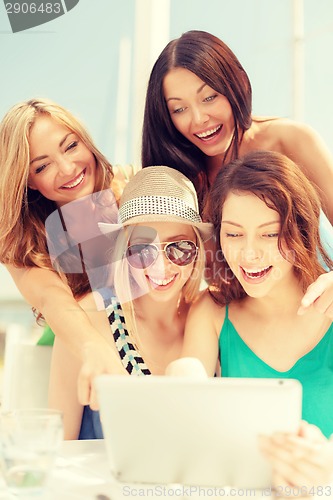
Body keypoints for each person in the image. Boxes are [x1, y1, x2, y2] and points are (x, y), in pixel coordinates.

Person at [167, 150, 333, 489]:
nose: (249, 253)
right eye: (233, 233)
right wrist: (181, 376)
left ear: (301, 230)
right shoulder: (212, 310)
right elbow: (188, 403)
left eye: (270, 234)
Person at [141, 29, 333, 316]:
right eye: (179, 109)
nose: (198, 119)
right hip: (250, 329)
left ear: (238, 83)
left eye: (209, 97)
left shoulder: (290, 140)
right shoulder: (179, 181)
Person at [48, 166, 212, 439]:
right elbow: (59, 446)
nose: (161, 268)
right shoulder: (88, 319)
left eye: (180, 248)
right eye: (141, 249)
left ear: (197, 250)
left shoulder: (210, 316)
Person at [0, 98, 136, 409]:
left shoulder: (130, 189)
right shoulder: (22, 242)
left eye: (71, 146)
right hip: (74, 358)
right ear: (28, 182)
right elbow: (52, 299)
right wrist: (92, 349)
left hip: (145, 352)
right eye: (42, 166)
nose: (67, 168)